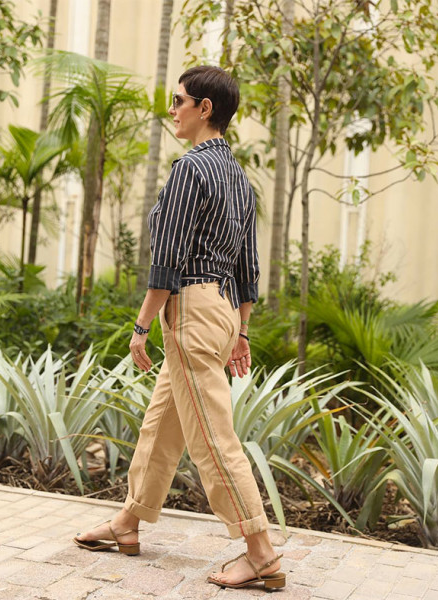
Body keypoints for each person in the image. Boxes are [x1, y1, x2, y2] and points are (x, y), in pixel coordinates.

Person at [74, 66, 286, 592]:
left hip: (190, 308)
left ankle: (260, 552)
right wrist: (242, 331)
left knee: (213, 438)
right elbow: (248, 263)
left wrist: (141, 325)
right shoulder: (238, 178)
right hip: (223, 311)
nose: (172, 110)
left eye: (179, 100)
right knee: (162, 424)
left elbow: (167, 258)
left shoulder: (191, 169)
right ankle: (128, 521)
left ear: (204, 108)